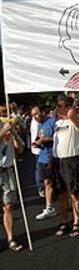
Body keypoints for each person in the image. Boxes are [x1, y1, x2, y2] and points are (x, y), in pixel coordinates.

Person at [52, 94, 79, 238]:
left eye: (60, 105)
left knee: (74, 194)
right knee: (62, 194)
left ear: (67, 107)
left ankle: (77, 222)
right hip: (57, 161)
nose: (57, 108)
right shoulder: (58, 124)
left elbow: (76, 119)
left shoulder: (75, 121)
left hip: (71, 160)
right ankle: (64, 222)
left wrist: (73, 105)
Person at [0, 106, 25, 252]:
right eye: (2, 112)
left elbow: (20, 148)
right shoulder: (4, 127)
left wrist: (15, 136)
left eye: (5, 112)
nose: (4, 115)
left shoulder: (8, 126)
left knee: (8, 206)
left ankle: (10, 238)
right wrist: (4, 130)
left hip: (6, 171)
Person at [32, 105, 58, 221]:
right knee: (46, 182)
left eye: (36, 114)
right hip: (42, 156)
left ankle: (50, 207)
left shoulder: (52, 122)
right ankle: (49, 207)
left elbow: (58, 138)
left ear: (42, 112)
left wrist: (46, 139)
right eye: (32, 115)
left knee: (50, 182)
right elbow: (39, 137)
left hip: (52, 156)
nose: (34, 117)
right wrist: (37, 142)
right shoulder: (39, 124)